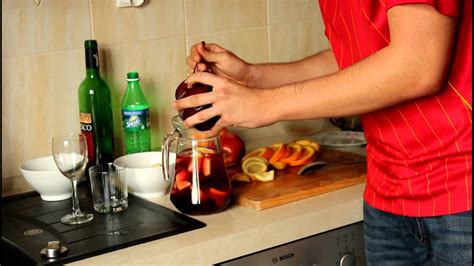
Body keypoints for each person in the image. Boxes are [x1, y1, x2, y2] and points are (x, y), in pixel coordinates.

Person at [174, 1, 472, 265]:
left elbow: (417, 65)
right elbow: (354, 57)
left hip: (462, 189)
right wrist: (254, 77)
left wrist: (264, 105)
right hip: (387, 189)